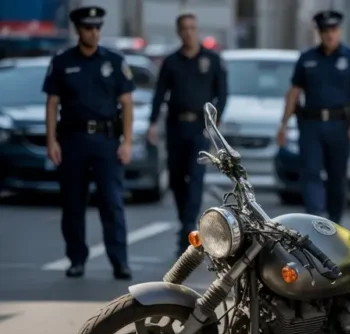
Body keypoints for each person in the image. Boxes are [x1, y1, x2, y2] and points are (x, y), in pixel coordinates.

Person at [43, 6, 135, 280]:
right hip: (72, 141)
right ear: (77, 30)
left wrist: (127, 142)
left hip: (107, 142)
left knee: (112, 202)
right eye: (88, 28)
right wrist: (51, 141)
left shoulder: (114, 61)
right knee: (73, 204)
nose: (93, 32)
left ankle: (120, 262)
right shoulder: (62, 62)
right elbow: (52, 104)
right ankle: (76, 259)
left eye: (97, 28)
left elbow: (127, 103)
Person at [276, 10, 350, 224]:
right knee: (310, 173)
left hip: (340, 126)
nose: (329, 35)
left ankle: (334, 222)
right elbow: (294, 92)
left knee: (337, 176)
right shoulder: (307, 59)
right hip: (311, 125)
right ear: (319, 32)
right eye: (325, 30)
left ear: (339, 31)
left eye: (333, 30)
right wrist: (283, 125)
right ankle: (315, 219)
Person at [148, 13, 228, 253]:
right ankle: (184, 219)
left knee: (195, 177)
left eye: (193, 27)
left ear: (197, 30)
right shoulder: (171, 62)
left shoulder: (212, 60)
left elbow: (221, 94)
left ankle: (187, 227)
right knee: (176, 177)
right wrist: (153, 122)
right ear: (179, 32)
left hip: (200, 129)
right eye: (185, 28)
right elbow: (160, 93)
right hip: (176, 126)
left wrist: (214, 124)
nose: (189, 32)